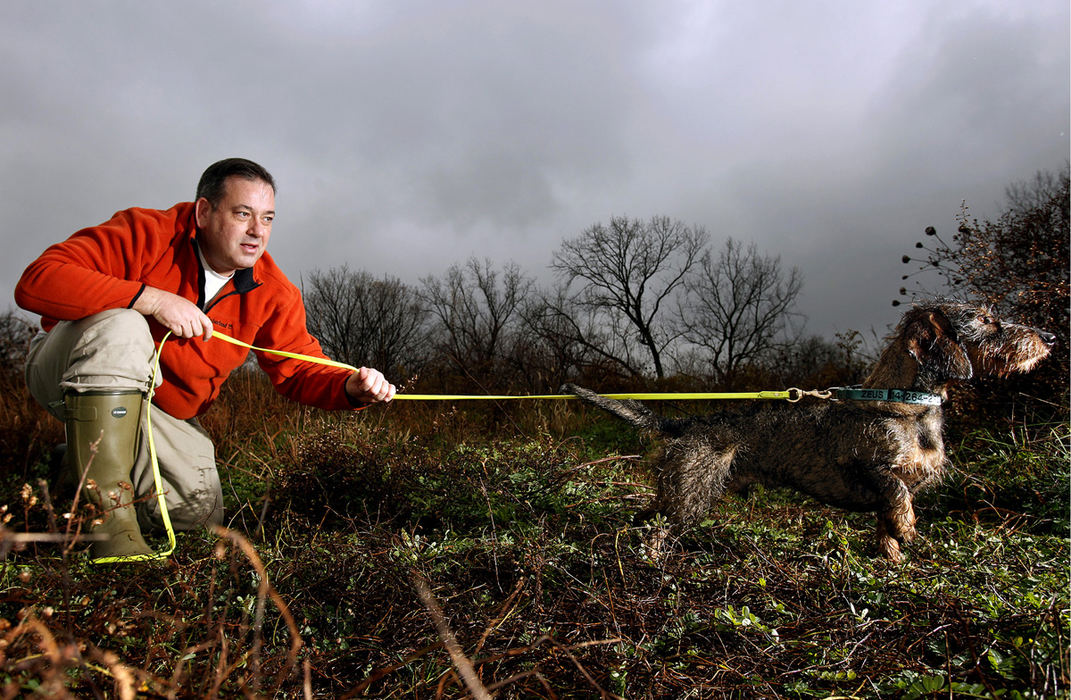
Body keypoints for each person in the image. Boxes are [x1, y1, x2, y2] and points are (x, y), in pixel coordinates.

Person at [15, 158, 395, 560]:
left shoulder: (273, 291)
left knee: (198, 509)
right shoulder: (145, 232)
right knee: (124, 325)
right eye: (242, 214)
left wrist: (349, 386)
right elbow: (38, 280)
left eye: (267, 218)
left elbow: (298, 367)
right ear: (204, 212)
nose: (257, 232)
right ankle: (108, 529)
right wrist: (152, 300)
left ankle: (69, 472)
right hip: (67, 371)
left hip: (159, 409)